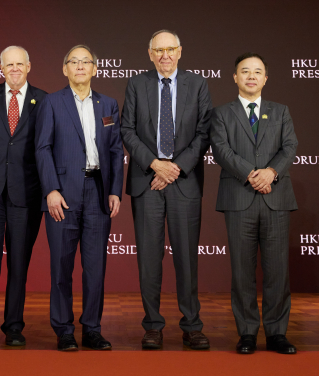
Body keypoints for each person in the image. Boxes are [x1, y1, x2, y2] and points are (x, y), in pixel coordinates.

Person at [120, 30, 212, 350]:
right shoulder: (136, 84)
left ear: (180, 51)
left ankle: (191, 325)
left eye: (170, 49)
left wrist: (174, 168)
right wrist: (154, 164)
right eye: (158, 50)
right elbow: (127, 130)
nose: (165, 55)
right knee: (148, 258)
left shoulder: (197, 84)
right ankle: (153, 326)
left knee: (186, 258)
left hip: (183, 181)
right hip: (147, 182)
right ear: (149, 54)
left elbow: (203, 133)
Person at [35, 45, 124, 351]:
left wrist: (114, 190)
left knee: (95, 267)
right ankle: (63, 329)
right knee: (61, 266)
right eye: (74, 62)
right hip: (63, 195)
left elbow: (115, 150)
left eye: (86, 62)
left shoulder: (108, 104)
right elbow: (42, 148)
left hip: (98, 193)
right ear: (65, 69)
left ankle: (92, 328)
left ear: (95, 69)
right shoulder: (51, 102)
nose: (81, 66)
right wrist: (51, 190)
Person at [210, 52, 298, 355]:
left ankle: (277, 333)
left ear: (265, 78)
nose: (251, 76)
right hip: (239, 199)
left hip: (275, 198)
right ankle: (246, 332)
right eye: (244, 71)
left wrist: (271, 172)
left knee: (277, 271)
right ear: (234, 77)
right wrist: (251, 174)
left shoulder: (281, 111)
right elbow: (221, 150)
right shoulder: (221, 114)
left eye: (257, 71)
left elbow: (290, 146)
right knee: (242, 272)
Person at [0, 46, 47, 349]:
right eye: (8, 64)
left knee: (19, 262)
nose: (14, 69)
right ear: (0, 68)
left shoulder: (44, 100)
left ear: (29, 66)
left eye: (20, 64)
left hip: (26, 192)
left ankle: (14, 326)